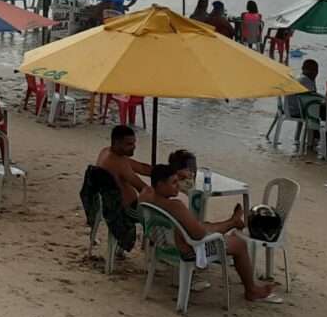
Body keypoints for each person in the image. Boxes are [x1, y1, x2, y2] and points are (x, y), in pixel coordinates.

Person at [140, 165, 279, 302]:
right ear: (161, 185)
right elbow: (199, 236)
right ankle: (251, 290)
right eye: (174, 182)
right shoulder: (176, 206)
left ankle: (232, 221)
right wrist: (201, 227)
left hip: (163, 244)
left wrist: (199, 225)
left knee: (203, 224)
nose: (179, 186)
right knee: (239, 244)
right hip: (186, 251)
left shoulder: (146, 196)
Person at [96, 125, 150, 210]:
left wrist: (168, 172)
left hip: (108, 204)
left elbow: (141, 168)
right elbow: (142, 188)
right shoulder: (117, 162)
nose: (134, 147)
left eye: (134, 142)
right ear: (117, 142)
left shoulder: (106, 151)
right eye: (129, 144)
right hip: (125, 210)